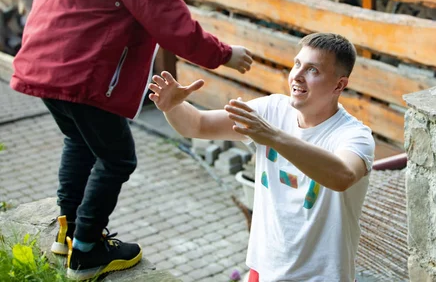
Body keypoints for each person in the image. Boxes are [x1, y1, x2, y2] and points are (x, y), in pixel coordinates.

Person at [10, 0, 253, 279]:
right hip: (85, 80)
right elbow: (176, 29)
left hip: (42, 70)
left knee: (80, 142)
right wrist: (225, 54)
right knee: (118, 158)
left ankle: (67, 230)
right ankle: (87, 251)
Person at [149, 33, 375, 282]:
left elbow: (342, 175)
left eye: (313, 70)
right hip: (263, 269)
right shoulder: (272, 109)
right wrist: (172, 106)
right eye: (297, 64)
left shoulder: (354, 135)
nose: (297, 76)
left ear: (339, 85)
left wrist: (272, 136)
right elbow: (198, 125)